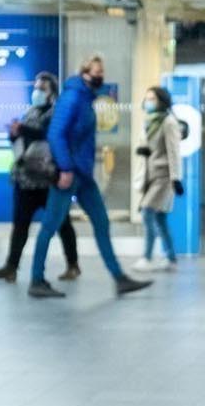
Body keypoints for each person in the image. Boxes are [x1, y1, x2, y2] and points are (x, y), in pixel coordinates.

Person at [26, 55, 151, 299]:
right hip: (69, 172)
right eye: (96, 71)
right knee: (50, 225)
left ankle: (119, 277)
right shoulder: (72, 97)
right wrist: (64, 168)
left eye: (101, 71)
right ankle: (36, 280)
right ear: (84, 73)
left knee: (102, 222)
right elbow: (56, 134)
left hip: (82, 173)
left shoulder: (85, 98)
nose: (100, 76)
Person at [0, 72, 80, 283]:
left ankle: (73, 265)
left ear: (52, 92)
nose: (37, 92)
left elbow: (48, 135)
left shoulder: (57, 113)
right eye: (36, 87)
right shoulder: (31, 112)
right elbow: (25, 137)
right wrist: (14, 133)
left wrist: (23, 129)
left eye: (42, 89)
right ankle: (11, 267)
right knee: (20, 225)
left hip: (48, 179)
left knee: (62, 223)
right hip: (26, 178)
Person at [132, 86, 183, 273]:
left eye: (152, 98)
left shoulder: (169, 122)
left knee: (147, 211)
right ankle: (171, 258)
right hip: (149, 175)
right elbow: (148, 144)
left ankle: (147, 257)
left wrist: (176, 178)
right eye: (147, 98)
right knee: (160, 218)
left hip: (163, 176)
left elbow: (174, 151)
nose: (148, 102)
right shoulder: (149, 120)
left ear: (161, 100)